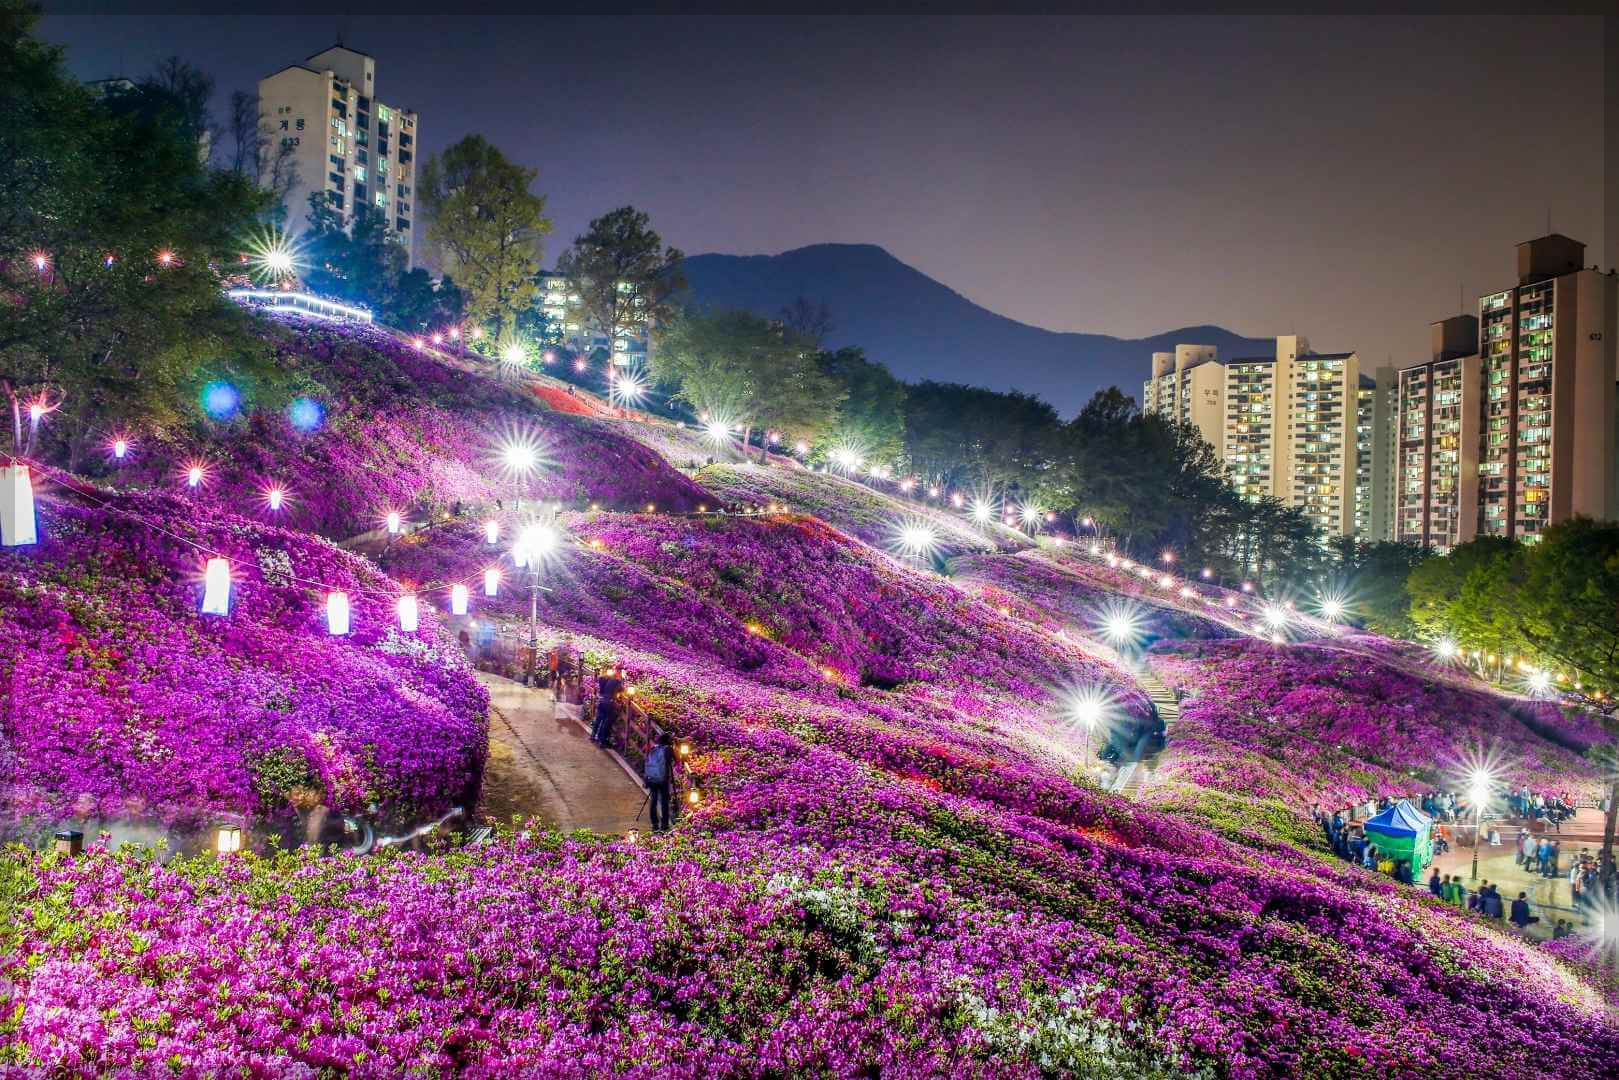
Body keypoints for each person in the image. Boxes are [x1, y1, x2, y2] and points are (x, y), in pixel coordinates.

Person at [643, 732, 675, 832]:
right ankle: (664, 824)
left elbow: (648, 762)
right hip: (663, 779)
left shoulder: (654, 748)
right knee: (664, 801)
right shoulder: (668, 749)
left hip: (652, 778)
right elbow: (675, 760)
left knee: (653, 800)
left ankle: (654, 824)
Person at [591, 664, 624, 746]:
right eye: (620, 670)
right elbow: (621, 689)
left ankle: (593, 736)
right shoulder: (616, 680)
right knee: (605, 722)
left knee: (599, 719)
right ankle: (601, 740)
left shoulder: (606, 678)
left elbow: (601, 683)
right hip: (609, 703)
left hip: (602, 700)